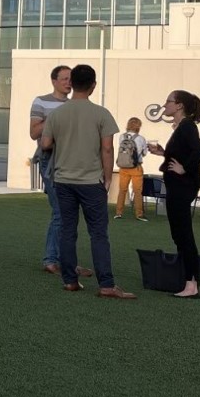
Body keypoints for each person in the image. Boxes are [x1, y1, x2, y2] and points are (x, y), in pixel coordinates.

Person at [41, 64, 136, 299]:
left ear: (71, 83)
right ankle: (106, 285)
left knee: (66, 231)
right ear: (93, 86)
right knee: (98, 234)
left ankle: (70, 281)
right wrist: (106, 178)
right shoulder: (101, 114)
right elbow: (107, 148)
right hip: (91, 182)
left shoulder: (56, 114)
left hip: (63, 180)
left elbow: (45, 144)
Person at [29, 65, 91, 279]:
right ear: (54, 80)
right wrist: (56, 117)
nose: (68, 82)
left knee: (68, 213)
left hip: (72, 159)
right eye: (64, 78)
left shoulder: (77, 104)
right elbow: (34, 132)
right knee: (61, 212)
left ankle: (60, 260)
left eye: (70, 78)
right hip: (51, 159)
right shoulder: (41, 101)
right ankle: (54, 260)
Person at [148, 90, 200, 298]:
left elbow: (199, 151)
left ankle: (192, 283)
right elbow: (183, 151)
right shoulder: (181, 127)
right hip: (177, 186)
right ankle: (187, 279)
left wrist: (185, 168)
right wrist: (163, 152)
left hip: (183, 186)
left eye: (168, 102)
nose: (165, 105)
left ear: (179, 105)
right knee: (178, 234)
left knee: (184, 234)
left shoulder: (187, 126)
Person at [114, 117, 149, 222]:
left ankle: (118, 212)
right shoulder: (141, 138)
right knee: (137, 191)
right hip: (135, 167)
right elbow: (144, 153)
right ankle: (139, 214)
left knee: (122, 190)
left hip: (123, 167)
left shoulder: (122, 137)